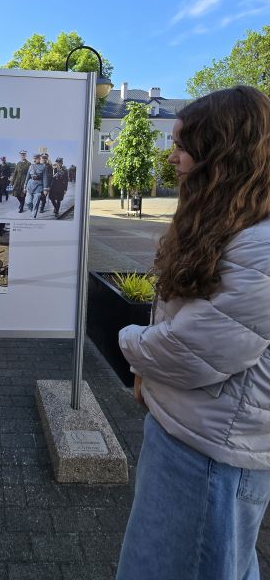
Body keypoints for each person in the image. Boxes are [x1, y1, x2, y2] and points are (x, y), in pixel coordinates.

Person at [116, 86, 270, 580]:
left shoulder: (259, 245)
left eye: (184, 146)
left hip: (210, 456)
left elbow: (194, 348)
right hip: (194, 434)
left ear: (222, 153)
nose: (172, 157)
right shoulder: (233, 225)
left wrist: (130, 345)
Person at [24, 153, 50, 218]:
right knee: (28, 202)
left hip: (38, 186)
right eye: (33, 159)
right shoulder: (31, 166)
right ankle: (33, 211)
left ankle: (33, 216)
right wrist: (25, 186)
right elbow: (27, 176)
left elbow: (45, 178)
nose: (34, 160)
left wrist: (45, 189)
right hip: (30, 186)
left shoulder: (44, 167)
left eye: (36, 159)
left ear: (39, 158)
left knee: (36, 203)